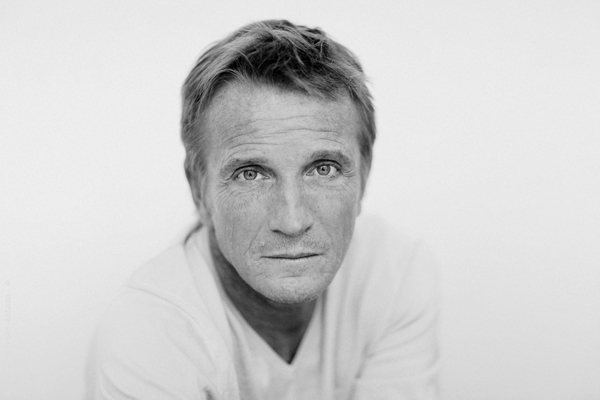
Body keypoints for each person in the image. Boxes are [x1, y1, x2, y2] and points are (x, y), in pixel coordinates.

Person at [86, 19, 440, 399]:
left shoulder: (393, 273)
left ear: (364, 177)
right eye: (251, 174)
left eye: (323, 169)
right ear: (199, 191)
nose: (292, 221)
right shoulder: (147, 336)